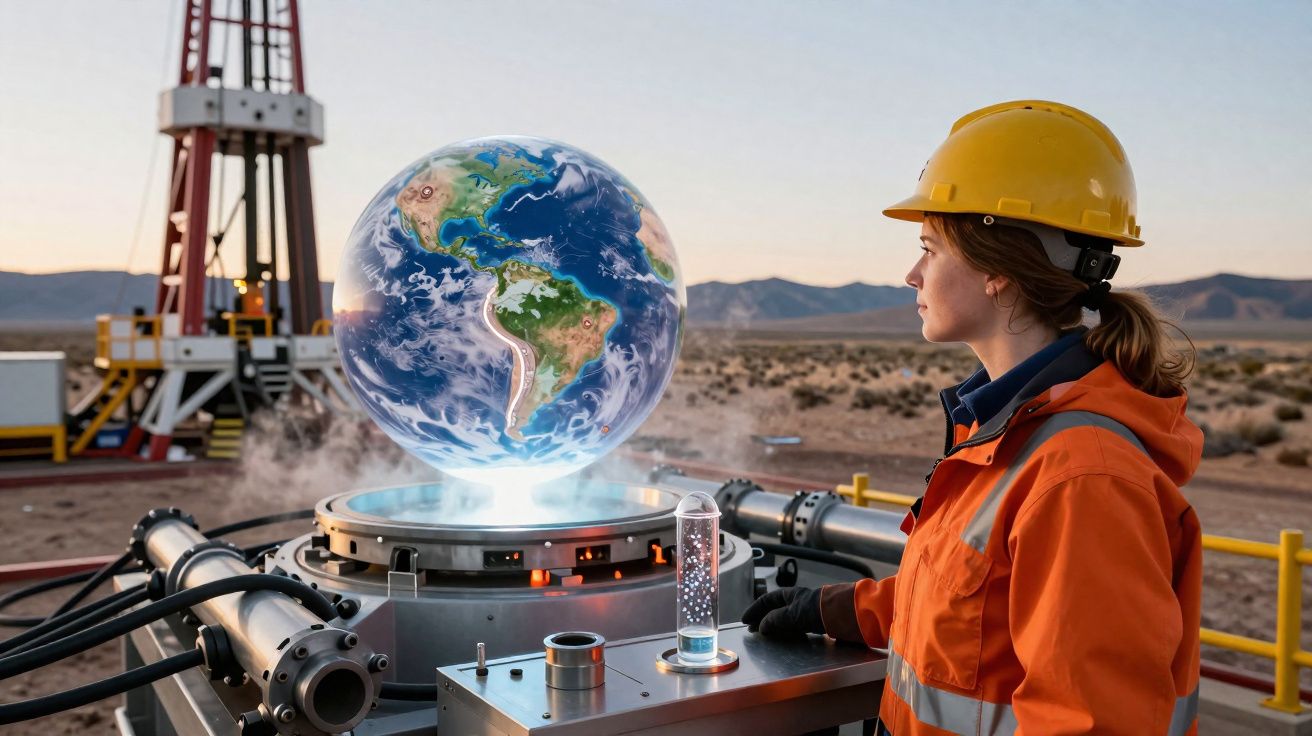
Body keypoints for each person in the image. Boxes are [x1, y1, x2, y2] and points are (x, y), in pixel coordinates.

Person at [742, 100, 1203, 735]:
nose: (911, 274)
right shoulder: (1009, 431)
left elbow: (1093, 722)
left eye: (929, 247)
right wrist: (849, 609)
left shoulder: (1083, 480)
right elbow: (976, 610)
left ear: (996, 268)